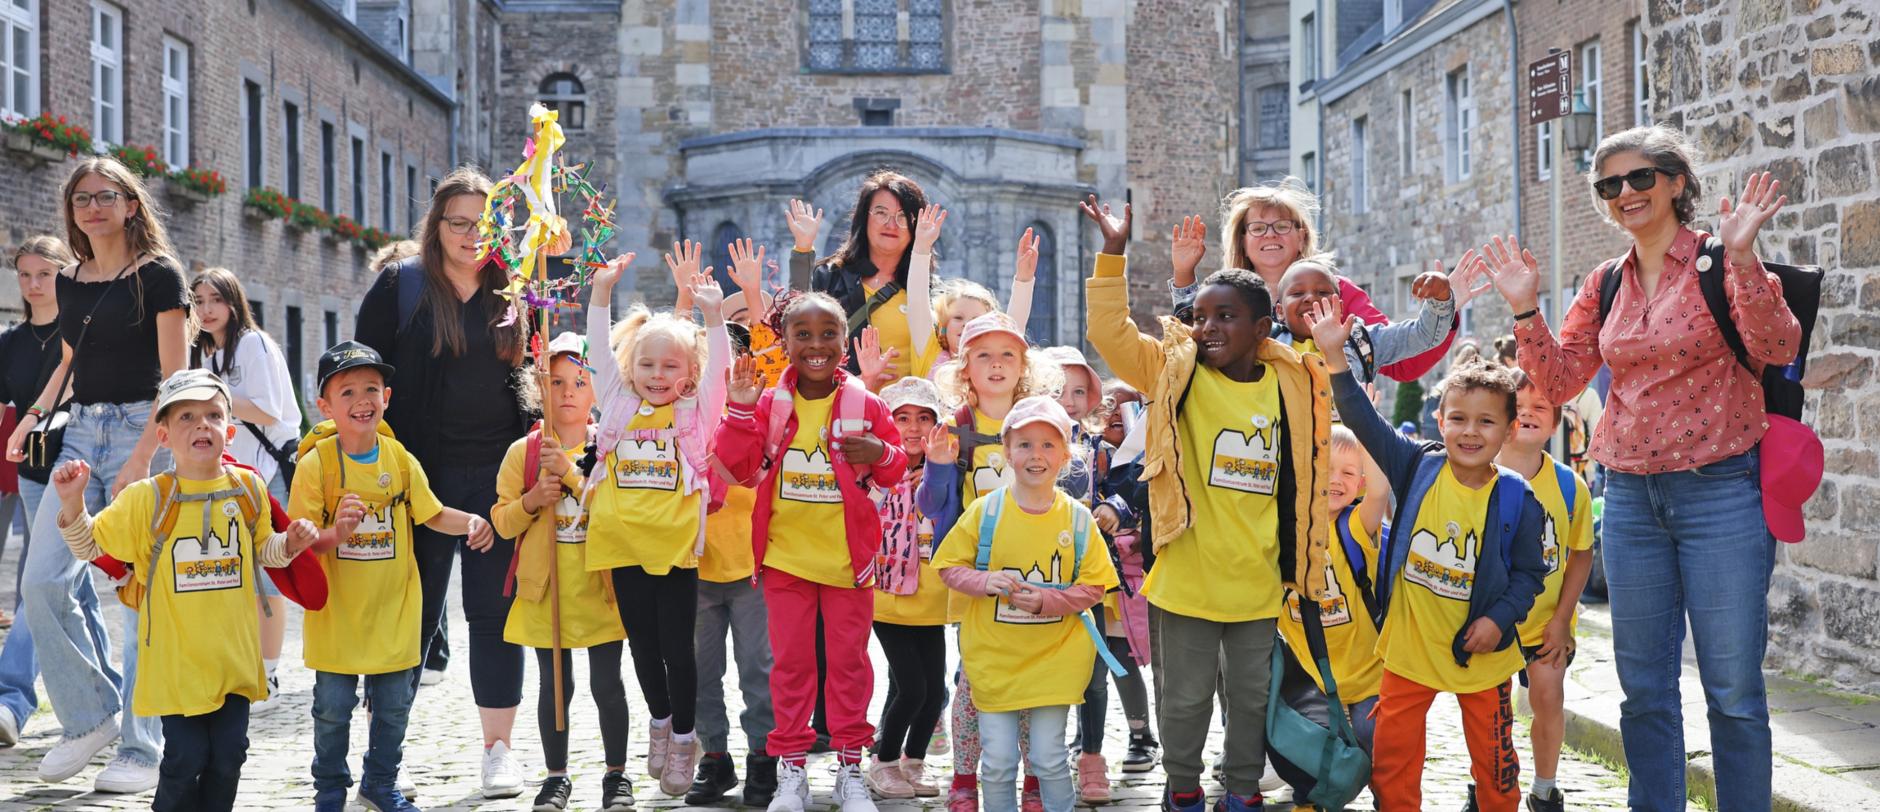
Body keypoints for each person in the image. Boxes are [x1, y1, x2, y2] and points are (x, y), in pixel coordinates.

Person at [1480, 125, 1800, 811]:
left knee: (1734, 690)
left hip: (1722, 495)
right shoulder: (1603, 283)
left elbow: (1776, 343)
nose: (1625, 193)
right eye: (1610, 185)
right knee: (1645, 692)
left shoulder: (1720, 262)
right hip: (1628, 500)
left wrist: (1744, 257)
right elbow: (1562, 381)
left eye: (1640, 178)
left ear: (1676, 183)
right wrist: (1524, 308)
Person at [1080, 195, 1329, 812]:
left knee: (1249, 699)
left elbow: (1311, 471)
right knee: (1184, 700)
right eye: (1202, 317)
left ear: (1261, 328)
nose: (1208, 328)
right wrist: (1112, 253)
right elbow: (1109, 333)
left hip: (1257, 581)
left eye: (1226, 317)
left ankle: (1242, 792)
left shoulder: (1292, 381)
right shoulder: (1175, 372)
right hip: (1186, 579)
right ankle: (1183, 790)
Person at [352, 168, 544, 798]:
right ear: (435, 227)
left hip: (499, 480)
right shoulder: (401, 287)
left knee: (494, 615)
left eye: (483, 224)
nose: (470, 235)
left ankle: (498, 753)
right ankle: (387, 759)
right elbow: (360, 376)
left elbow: (541, 378)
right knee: (412, 616)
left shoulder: (517, 292)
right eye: (457, 222)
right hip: (418, 481)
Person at [1315, 300, 1548, 812]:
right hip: (1408, 653)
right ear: (1439, 420)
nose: (1470, 431)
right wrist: (1336, 358)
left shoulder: (1516, 499)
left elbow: (1532, 575)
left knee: (1495, 766)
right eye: (1458, 418)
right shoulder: (1416, 467)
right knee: (1393, 761)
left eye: (1486, 422)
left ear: (1509, 431)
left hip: (1482, 659)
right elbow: (1362, 420)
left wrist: (1498, 618)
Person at [5, 157, 191, 794]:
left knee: (139, 598)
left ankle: (143, 748)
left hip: (146, 429)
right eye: (82, 198)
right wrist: (32, 419)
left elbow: (176, 380)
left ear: (131, 205)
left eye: (105, 196)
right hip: (81, 432)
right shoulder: (73, 279)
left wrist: (147, 451)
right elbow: (67, 362)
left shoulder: (161, 276)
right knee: (41, 581)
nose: (92, 207)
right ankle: (91, 715)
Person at [50, 369, 318, 811]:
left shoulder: (248, 488)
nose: (202, 426)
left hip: (233, 661)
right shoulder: (146, 498)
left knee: (229, 757)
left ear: (229, 432)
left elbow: (264, 552)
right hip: (176, 666)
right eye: (187, 417)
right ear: (162, 434)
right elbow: (89, 545)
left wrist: (290, 544)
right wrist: (72, 502)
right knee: (185, 758)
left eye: (213, 416)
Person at [714, 290, 909, 812]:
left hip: (848, 564)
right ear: (786, 341)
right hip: (784, 561)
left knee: (849, 666)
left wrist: (880, 451)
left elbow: (894, 467)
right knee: (792, 667)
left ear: (845, 342)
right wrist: (736, 406)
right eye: (803, 335)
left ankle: (849, 768)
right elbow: (736, 463)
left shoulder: (866, 404)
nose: (816, 344)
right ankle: (792, 772)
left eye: (828, 333)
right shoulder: (769, 403)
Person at [292, 340, 493, 812]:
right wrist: (335, 532)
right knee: (331, 710)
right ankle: (329, 792)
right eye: (347, 392)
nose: (362, 400)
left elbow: (432, 513)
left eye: (372, 389)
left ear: (387, 398)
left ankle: (380, 785)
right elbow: (301, 542)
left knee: (393, 709)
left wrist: (472, 522)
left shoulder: (400, 460)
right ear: (325, 405)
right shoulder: (315, 464)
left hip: (394, 610)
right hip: (338, 615)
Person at [584, 253, 729, 796]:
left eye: (671, 367)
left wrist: (713, 319)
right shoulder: (618, 402)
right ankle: (661, 723)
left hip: (675, 550)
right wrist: (601, 294)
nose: (658, 376)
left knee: (678, 649)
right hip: (621, 543)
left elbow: (719, 373)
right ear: (631, 368)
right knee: (643, 648)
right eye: (648, 366)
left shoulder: (695, 413)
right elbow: (598, 351)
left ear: (688, 373)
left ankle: (686, 737)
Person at [933, 395, 1120, 812]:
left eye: (1048, 444)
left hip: (1055, 661)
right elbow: (947, 565)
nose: (1036, 455)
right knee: (998, 762)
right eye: (1025, 444)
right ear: (1007, 453)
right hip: (995, 659)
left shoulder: (1077, 519)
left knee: (1050, 758)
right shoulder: (986, 512)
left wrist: (1049, 600)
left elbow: (1096, 585)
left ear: (1066, 455)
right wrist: (984, 580)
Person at [916, 310, 1060, 812]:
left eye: (1007, 355)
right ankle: (964, 777)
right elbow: (932, 508)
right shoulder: (956, 427)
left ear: (1024, 364)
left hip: (1039, 572)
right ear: (964, 367)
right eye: (983, 355)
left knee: (1035, 682)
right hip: (979, 579)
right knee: (974, 680)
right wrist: (935, 468)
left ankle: (1034, 779)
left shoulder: (1042, 419)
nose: (996, 365)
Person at [490, 333, 632, 812]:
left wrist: (570, 476)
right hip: (546, 589)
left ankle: (616, 774)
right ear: (539, 389)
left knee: (607, 683)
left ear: (596, 391)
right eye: (556, 382)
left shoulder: (613, 447)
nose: (568, 391)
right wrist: (533, 499)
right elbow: (503, 519)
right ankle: (556, 776)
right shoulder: (523, 453)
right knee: (555, 686)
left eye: (580, 381)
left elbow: (618, 509)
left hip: (599, 586)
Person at [1167, 179, 1464, 382]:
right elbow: (1190, 347)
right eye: (1258, 228)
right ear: (1242, 241)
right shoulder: (1225, 296)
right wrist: (1184, 273)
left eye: (1282, 226)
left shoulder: (1340, 293)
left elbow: (1402, 357)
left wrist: (1443, 306)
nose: (1270, 234)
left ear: (1302, 236)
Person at [187, 267, 303, 714]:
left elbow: (270, 411)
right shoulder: (203, 352)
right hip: (228, 475)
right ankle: (240, 665)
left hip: (267, 470)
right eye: (198, 301)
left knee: (267, 574)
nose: (206, 309)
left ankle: (268, 673)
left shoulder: (253, 344)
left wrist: (213, 396)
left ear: (234, 303)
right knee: (232, 573)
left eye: (215, 300)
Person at [1266, 426, 1390, 806]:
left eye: (1348, 473)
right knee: (1305, 746)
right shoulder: (1284, 529)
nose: (1336, 479)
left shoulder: (1356, 527)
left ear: (1362, 483)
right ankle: (1312, 797)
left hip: (1369, 676)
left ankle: (1387, 800)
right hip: (1312, 676)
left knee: (1378, 749)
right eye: (1325, 468)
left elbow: (1383, 492)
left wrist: (1364, 423)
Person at [688, 295, 779, 809]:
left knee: (758, 670)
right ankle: (714, 757)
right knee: (701, 670)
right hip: (696, 568)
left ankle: (763, 758)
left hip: (751, 569)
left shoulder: (760, 422)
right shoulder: (684, 422)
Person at [1498, 372, 1595, 812]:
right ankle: (1489, 785)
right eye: (1518, 407)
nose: (1529, 414)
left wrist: (1562, 620)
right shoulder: (1480, 476)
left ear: (1556, 423)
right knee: (1490, 714)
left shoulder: (1570, 487)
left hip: (1545, 623)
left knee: (1548, 698)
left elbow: (1580, 554)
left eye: (1541, 407)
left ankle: (1544, 787)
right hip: (1490, 621)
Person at [0, 235, 74, 746]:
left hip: (80, 470)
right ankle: (14, 700)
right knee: (40, 585)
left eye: (43, 274)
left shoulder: (84, 332)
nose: (32, 285)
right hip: (30, 471)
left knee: (58, 588)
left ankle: (14, 697)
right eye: (24, 275)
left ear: (62, 276)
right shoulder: (10, 342)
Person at [861, 376, 950, 800]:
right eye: (902, 418)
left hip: (931, 596)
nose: (913, 427)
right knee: (911, 686)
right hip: (888, 592)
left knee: (935, 692)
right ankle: (883, 761)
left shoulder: (944, 472)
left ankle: (912, 762)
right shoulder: (875, 470)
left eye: (923, 418)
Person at [786, 174, 943, 380]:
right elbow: (792, 322)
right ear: (864, 218)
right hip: (842, 407)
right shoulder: (829, 277)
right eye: (881, 213)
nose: (891, 224)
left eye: (903, 216)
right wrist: (803, 249)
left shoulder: (931, 293)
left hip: (909, 409)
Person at [1271, 257, 1455, 386]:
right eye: (1297, 293)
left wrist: (1439, 300)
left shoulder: (1362, 341)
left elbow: (1423, 335)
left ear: (1340, 308)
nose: (1311, 298)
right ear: (1279, 311)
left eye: (1323, 293)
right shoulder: (1266, 347)